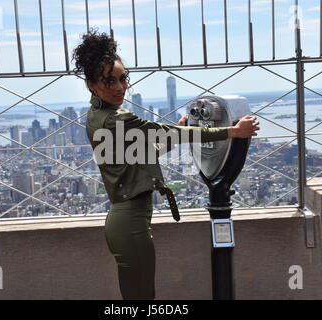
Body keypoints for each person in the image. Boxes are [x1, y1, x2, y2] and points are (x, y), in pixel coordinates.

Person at [72, 30, 259, 300]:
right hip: (130, 223)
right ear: (91, 84)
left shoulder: (96, 116)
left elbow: (143, 150)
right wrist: (233, 132)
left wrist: (176, 132)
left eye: (123, 78)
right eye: (108, 81)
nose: (119, 87)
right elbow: (167, 133)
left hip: (126, 221)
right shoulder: (116, 119)